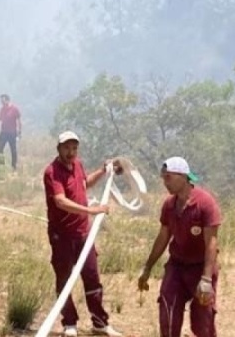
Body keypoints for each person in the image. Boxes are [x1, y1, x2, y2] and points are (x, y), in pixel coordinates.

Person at [42, 131, 124, 337]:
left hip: (83, 234)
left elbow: (84, 184)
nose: (71, 152)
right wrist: (91, 211)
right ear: (58, 149)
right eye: (67, 148)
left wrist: (104, 171)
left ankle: (99, 323)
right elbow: (60, 200)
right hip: (62, 236)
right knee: (64, 278)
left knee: (92, 277)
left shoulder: (77, 165)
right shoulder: (52, 172)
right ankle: (69, 323)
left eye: (74, 148)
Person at [137, 156, 222, 337]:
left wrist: (206, 279)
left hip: (201, 267)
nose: (165, 182)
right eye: (163, 178)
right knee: (168, 312)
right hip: (177, 266)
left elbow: (211, 243)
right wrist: (147, 267)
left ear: (183, 176)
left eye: (168, 177)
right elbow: (163, 237)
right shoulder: (169, 205)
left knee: (202, 324)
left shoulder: (205, 204)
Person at [0, 93, 21, 170]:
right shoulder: (2, 109)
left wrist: (19, 131)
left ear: (7, 100)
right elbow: (1, 118)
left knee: (13, 150)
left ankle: (14, 166)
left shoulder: (14, 109)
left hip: (12, 132)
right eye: (1, 101)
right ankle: (2, 165)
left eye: (3, 101)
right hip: (4, 132)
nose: (1, 103)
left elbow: (18, 120)